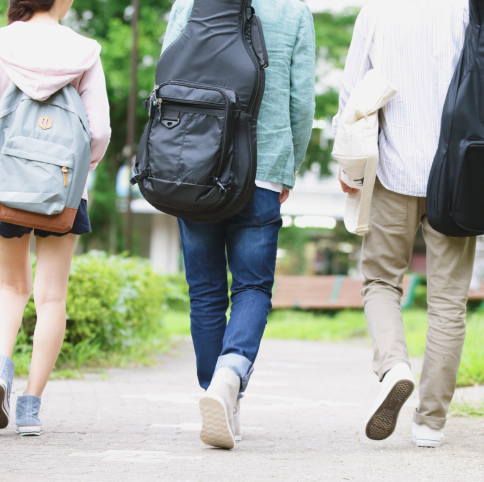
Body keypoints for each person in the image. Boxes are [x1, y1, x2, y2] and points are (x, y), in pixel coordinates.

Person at [334, 0, 484, 447]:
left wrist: (349, 164)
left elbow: (352, 95)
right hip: (462, 176)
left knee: (381, 282)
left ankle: (394, 367)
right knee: (448, 302)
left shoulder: (377, 11)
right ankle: (430, 423)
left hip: (392, 172)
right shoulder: (470, 9)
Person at [162, 0, 316, 449]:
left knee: (205, 292)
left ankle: (218, 389)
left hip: (195, 165)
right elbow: (300, 99)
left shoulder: (189, 3)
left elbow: (168, 72)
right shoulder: (293, 11)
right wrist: (290, 164)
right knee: (251, 288)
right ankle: (230, 379)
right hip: (261, 167)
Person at [0, 0, 110, 435]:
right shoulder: (84, 51)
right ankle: (30, 409)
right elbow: (98, 132)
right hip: (63, 191)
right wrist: (79, 172)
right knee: (52, 298)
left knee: (12, 287)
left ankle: (0, 368)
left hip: (4, 187)